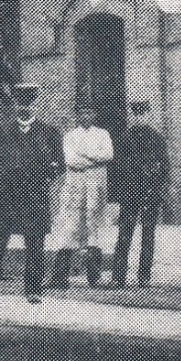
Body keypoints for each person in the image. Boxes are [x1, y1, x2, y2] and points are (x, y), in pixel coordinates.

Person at [0, 83, 62, 304]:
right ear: (14, 104)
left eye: (29, 103)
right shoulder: (1, 131)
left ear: (35, 104)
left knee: (35, 244)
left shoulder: (49, 132)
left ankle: (33, 290)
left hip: (35, 196)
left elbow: (59, 164)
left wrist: (46, 178)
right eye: (20, 103)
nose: (24, 107)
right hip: (6, 197)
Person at [50, 104, 112, 288]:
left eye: (89, 111)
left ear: (94, 114)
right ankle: (60, 277)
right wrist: (94, 159)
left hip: (96, 187)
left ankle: (94, 277)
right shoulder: (70, 136)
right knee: (70, 228)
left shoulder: (103, 134)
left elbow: (108, 155)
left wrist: (84, 155)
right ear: (77, 115)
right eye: (82, 112)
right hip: (74, 188)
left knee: (94, 228)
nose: (86, 115)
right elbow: (70, 161)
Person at [111, 101, 169, 287]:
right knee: (125, 233)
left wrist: (159, 187)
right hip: (130, 192)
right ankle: (118, 277)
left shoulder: (157, 138)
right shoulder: (125, 138)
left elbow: (165, 166)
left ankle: (144, 276)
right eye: (136, 114)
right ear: (132, 116)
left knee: (148, 234)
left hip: (151, 192)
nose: (139, 118)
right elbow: (117, 167)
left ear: (148, 115)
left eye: (142, 114)